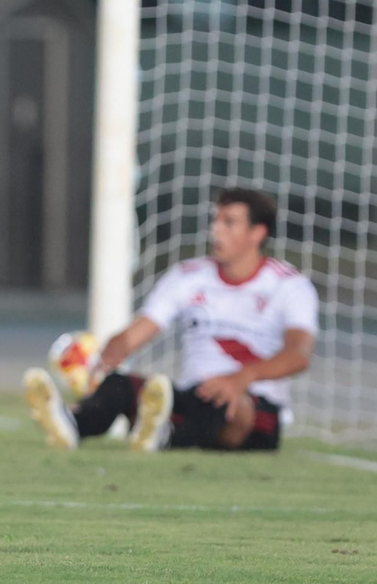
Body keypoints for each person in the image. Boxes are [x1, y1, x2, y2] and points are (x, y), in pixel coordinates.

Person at [24, 188, 317, 453]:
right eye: (215, 220)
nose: (216, 230)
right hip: (194, 396)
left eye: (229, 222)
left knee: (223, 403)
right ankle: (72, 424)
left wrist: (242, 378)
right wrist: (109, 354)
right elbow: (138, 331)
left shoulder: (289, 286)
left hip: (253, 408)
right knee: (119, 386)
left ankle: (163, 436)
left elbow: (299, 355)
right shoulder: (189, 277)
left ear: (257, 233)